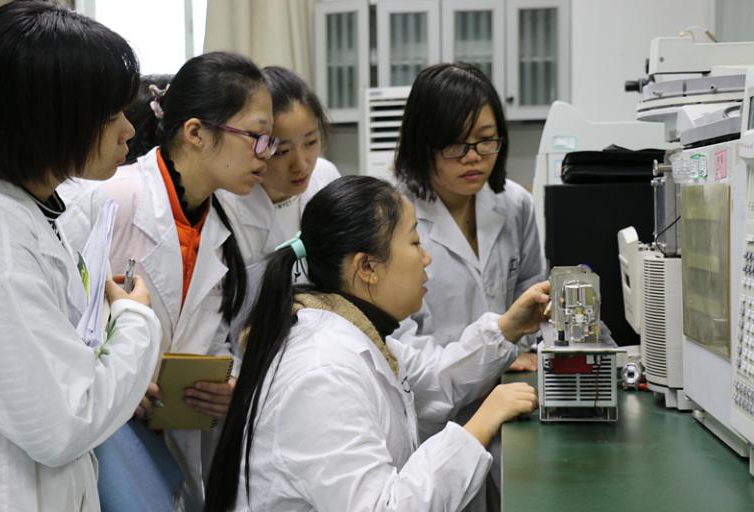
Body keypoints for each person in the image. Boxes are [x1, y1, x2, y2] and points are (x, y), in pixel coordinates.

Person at [205, 175, 549, 512]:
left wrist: (508, 329)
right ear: (367, 267)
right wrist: (478, 426)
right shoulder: (322, 372)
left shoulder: (357, 334)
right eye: (414, 242)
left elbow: (436, 380)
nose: (426, 258)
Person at [60, 52, 276, 509]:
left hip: (171, 447)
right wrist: (117, 375)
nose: (267, 154)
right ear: (196, 133)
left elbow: (220, 334)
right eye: (257, 137)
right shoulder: (110, 198)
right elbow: (53, 323)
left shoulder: (229, 221)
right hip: (95, 438)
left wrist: (227, 382)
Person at [0, 2, 161, 510]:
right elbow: (66, 421)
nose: (129, 130)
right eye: (110, 116)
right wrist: (135, 319)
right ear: (47, 119)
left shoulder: (36, 207)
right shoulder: (0, 249)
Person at [393, 62, 546, 511]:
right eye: (456, 144)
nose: (474, 157)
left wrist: (521, 345)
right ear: (423, 143)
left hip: (509, 406)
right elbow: (405, 354)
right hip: (432, 423)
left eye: (486, 140)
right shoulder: (393, 218)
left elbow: (531, 288)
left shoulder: (514, 204)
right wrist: (490, 354)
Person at [218, 65, 340, 265]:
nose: (300, 165)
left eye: (310, 142)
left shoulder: (326, 176)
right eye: (282, 151)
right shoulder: (227, 205)